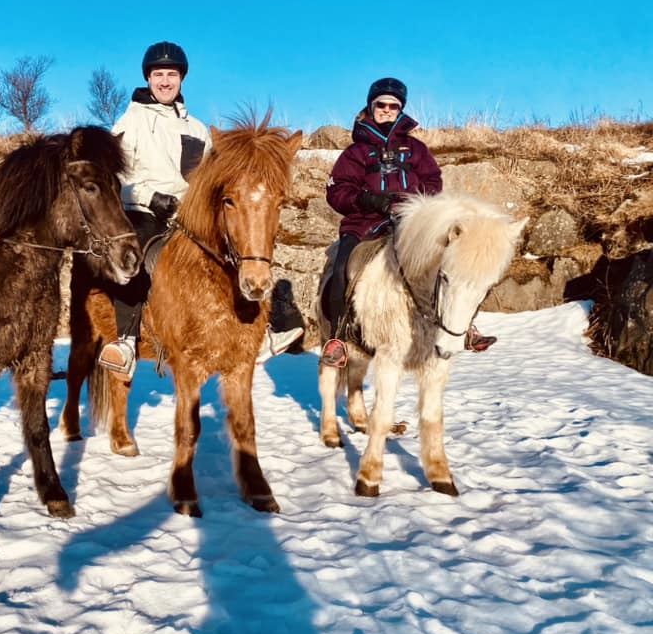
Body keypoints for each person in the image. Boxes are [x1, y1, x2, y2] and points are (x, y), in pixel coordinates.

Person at [97, 41, 303, 380]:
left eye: (172, 75)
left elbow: (210, 183)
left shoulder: (197, 128)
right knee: (137, 259)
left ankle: (259, 329)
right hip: (143, 210)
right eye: (158, 74)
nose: (165, 81)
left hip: (185, 215)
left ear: (182, 79)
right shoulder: (128, 122)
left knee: (232, 251)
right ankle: (127, 340)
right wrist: (150, 198)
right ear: (148, 78)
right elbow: (115, 177)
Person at [320, 77, 494, 368]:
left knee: (453, 263)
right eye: (381, 104)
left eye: (393, 105)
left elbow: (432, 182)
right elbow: (336, 191)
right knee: (341, 269)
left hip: (410, 225)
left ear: (400, 110)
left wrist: (416, 206)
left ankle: (465, 327)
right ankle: (337, 338)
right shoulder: (355, 153)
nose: (387, 110)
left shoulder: (416, 149)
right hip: (364, 225)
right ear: (370, 106)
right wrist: (369, 200)